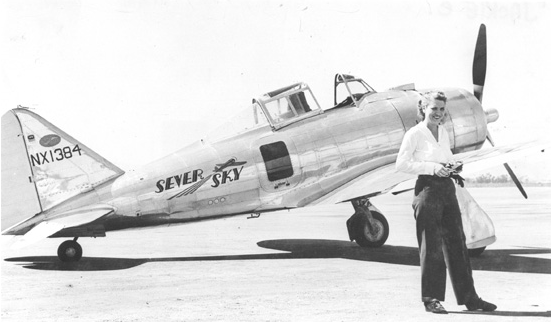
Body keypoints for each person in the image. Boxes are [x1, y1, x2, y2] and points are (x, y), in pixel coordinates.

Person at [396, 91, 497, 314]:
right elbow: (401, 164)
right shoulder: (415, 133)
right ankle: (431, 299)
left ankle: (470, 298)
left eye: (442, 109)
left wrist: (453, 165)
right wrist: (432, 168)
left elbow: (445, 158)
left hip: (446, 189)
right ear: (423, 108)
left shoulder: (442, 131)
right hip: (427, 190)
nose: (439, 114)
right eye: (434, 109)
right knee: (431, 246)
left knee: (458, 245)